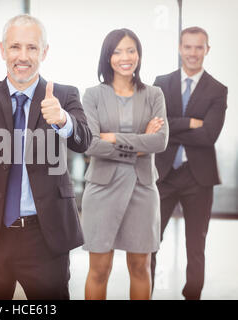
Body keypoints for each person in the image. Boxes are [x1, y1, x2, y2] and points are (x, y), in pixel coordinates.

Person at [0, 14, 91, 300]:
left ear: (44, 52)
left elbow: (83, 141)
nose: (22, 56)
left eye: (32, 48)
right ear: (3, 50)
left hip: (45, 235)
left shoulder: (64, 95)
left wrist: (63, 120)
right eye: (15, 47)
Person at [81, 28, 168, 300]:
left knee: (141, 267)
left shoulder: (154, 94)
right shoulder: (92, 95)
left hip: (142, 189)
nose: (125, 57)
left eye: (131, 50)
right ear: (108, 57)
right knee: (99, 269)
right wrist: (140, 141)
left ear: (139, 55)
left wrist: (115, 138)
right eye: (117, 51)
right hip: (102, 189)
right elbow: (91, 144)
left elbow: (160, 142)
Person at [151, 27, 228, 300]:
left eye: (199, 47)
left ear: (207, 49)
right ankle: (144, 293)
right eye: (188, 47)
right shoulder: (161, 83)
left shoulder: (218, 90)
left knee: (196, 245)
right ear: (179, 48)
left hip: (199, 179)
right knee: (150, 242)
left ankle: (192, 295)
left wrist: (172, 127)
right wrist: (189, 123)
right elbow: (156, 128)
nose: (193, 53)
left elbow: (209, 136)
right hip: (163, 175)